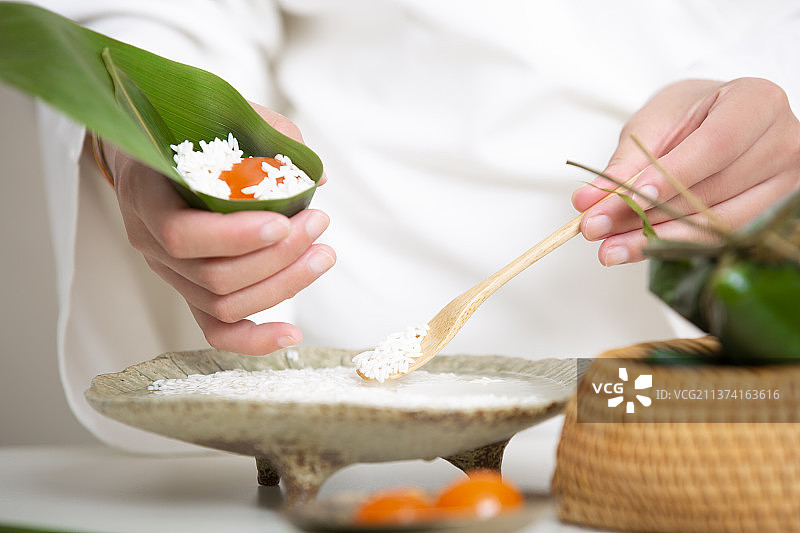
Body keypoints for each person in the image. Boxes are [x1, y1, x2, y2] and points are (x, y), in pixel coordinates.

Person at [27, 0, 800, 452]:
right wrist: (140, 133)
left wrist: (774, 144)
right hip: (346, 353)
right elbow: (166, 14)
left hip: (711, 408)